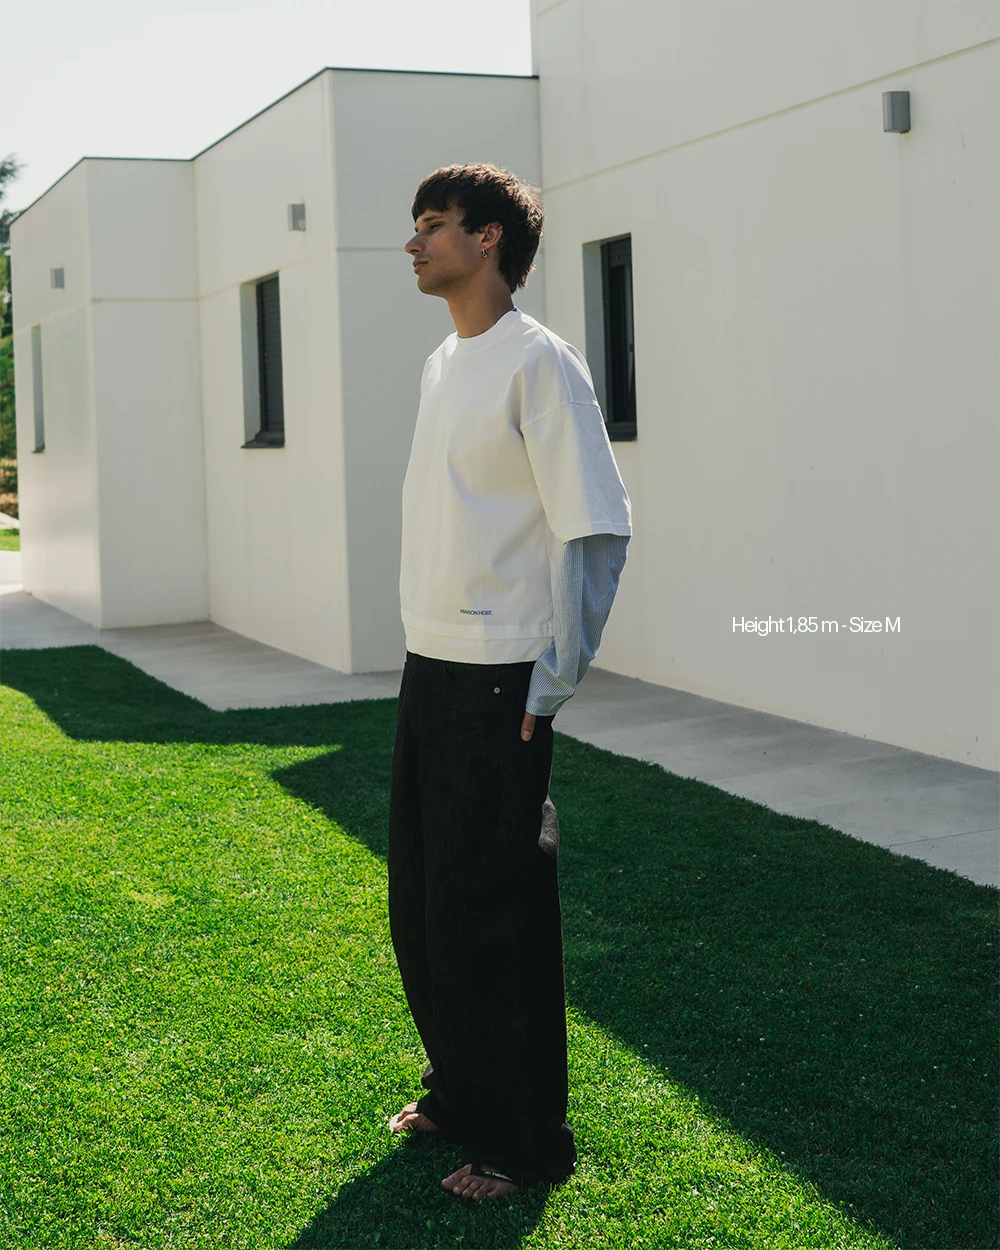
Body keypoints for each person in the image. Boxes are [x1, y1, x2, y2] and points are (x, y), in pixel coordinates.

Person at [387, 162, 632, 1201]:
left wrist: (550, 681)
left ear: (489, 237)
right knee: (423, 907)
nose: (413, 243)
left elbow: (596, 528)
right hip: (431, 662)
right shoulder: (444, 362)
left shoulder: (540, 362)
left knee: (492, 919)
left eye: (432, 224)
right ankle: (457, 1091)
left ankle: (522, 1143)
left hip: (500, 680)